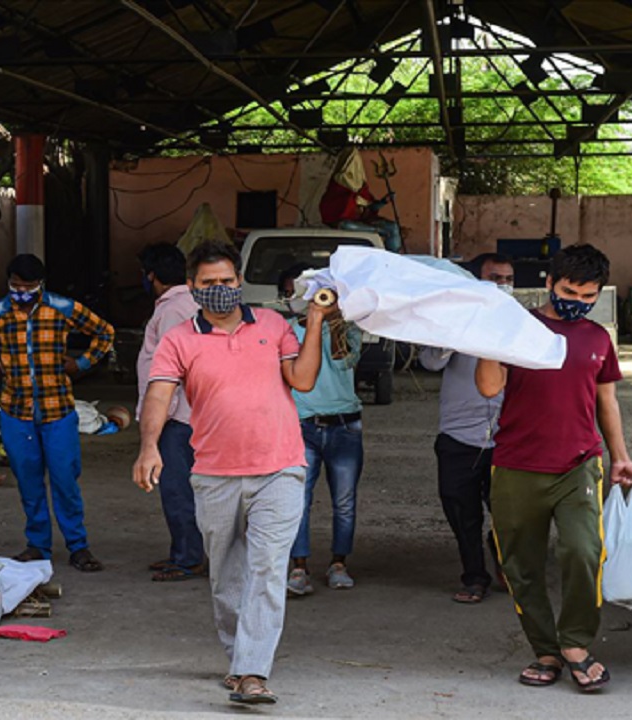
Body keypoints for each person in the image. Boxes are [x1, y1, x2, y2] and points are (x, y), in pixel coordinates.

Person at [132, 242, 330, 705]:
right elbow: (159, 395)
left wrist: (316, 322)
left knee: (266, 569)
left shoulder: (274, 325)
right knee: (225, 575)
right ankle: (237, 657)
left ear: (238, 282)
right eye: (208, 284)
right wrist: (148, 447)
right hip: (216, 473)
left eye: (226, 281)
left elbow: (302, 380)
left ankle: (252, 671)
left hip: (279, 468)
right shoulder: (179, 338)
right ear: (192, 288)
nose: (219, 290)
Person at [475, 243, 632, 692]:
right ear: (549, 283)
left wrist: (621, 455)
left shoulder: (597, 339)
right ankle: (545, 650)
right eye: (570, 291)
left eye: (589, 296)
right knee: (520, 566)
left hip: (579, 466)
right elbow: (489, 386)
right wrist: (492, 336)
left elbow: (606, 402)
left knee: (584, 552)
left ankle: (575, 645)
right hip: (516, 466)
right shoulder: (517, 327)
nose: (578, 302)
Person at [0, 254, 114, 572]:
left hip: (58, 412)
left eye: (29, 287)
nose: (22, 292)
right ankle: (37, 545)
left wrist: (81, 363)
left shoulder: (63, 308)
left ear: (41, 285)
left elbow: (105, 332)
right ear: (9, 283)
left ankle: (78, 546)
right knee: (29, 483)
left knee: (64, 481)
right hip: (16, 413)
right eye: (16, 286)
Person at [418, 253, 514, 604]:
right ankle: (475, 578)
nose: (502, 285)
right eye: (495, 278)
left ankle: (505, 560)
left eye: (507, 278)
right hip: (459, 437)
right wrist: (457, 329)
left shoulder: (519, 322)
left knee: (509, 514)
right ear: (477, 281)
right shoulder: (454, 322)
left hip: (507, 438)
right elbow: (429, 362)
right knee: (463, 514)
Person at [277, 264, 364, 596]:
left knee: (344, 500)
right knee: (298, 499)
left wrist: (331, 320)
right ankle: (299, 568)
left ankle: (338, 563)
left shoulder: (348, 329)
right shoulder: (285, 331)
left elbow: (344, 362)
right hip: (302, 425)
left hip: (344, 424)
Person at [135, 243, 204, 582]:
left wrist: (157, 422)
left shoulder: (173, 311)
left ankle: (189, 557)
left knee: (178, 490)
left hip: (178, 418)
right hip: (188, 415)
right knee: (186, 490)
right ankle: (185, 552)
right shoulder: (183, 304)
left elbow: (170, 373)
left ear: (152, 276)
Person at [318, 147, 402, 252]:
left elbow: (371, 207)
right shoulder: (336, 187)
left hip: (363, 221)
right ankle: (377, 231)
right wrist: (351, 198)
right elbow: (331, 214)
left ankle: (394, 257)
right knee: (347, 225)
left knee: (392, 227)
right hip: (347, 223)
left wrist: (383, 201)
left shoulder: (361, 187)